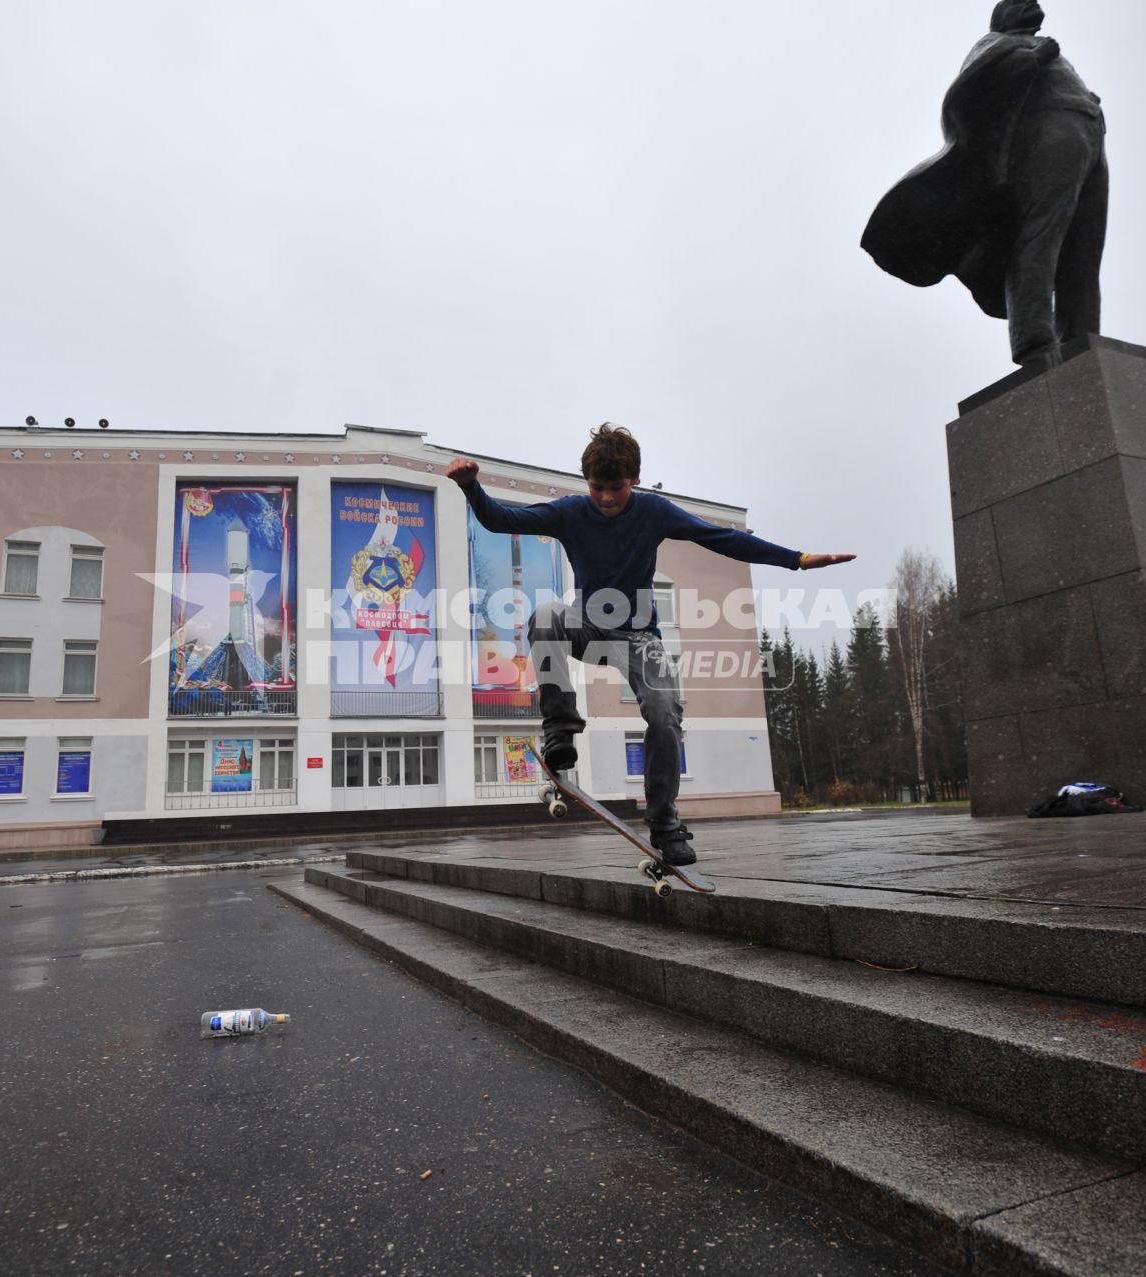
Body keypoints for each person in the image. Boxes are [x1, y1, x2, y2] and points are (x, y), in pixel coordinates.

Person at [446, 424, 854, 866]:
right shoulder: (569, 512)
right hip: (586, 625)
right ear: (587, 482)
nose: (605, 498)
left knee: (664, 713)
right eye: (598, 488)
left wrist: (794, 559)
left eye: (616, 489)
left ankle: (665, 822)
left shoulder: (653, 512)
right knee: (545, 614)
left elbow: (723, 539)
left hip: (640, 639)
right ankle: (560, 731)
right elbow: (502, 519)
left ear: (634, 481)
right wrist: (471, 486)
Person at [861, 0, 1107, 366]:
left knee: (1084, 247)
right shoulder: (996, 42)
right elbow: (973, 89)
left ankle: (1080, 337)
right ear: (1003, 17)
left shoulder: (1031, 44)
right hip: (1051, 135)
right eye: (1020, 2)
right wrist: (1033, 59)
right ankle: (1033, 338)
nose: (1032, 3)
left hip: (1088, 134)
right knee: (1043, 231)